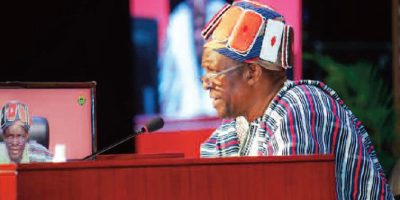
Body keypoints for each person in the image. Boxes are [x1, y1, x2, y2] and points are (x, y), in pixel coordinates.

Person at [199, 1, 394, 199]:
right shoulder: (232, 129)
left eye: (215, 72)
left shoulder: (300, 105)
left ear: (252, 72)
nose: (206, 83)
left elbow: (288, 192)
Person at [158, 0, 225, 118]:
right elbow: (167, 78)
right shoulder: (178, 19)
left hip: (224, 115)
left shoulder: (224, 14)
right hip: (184, 114)